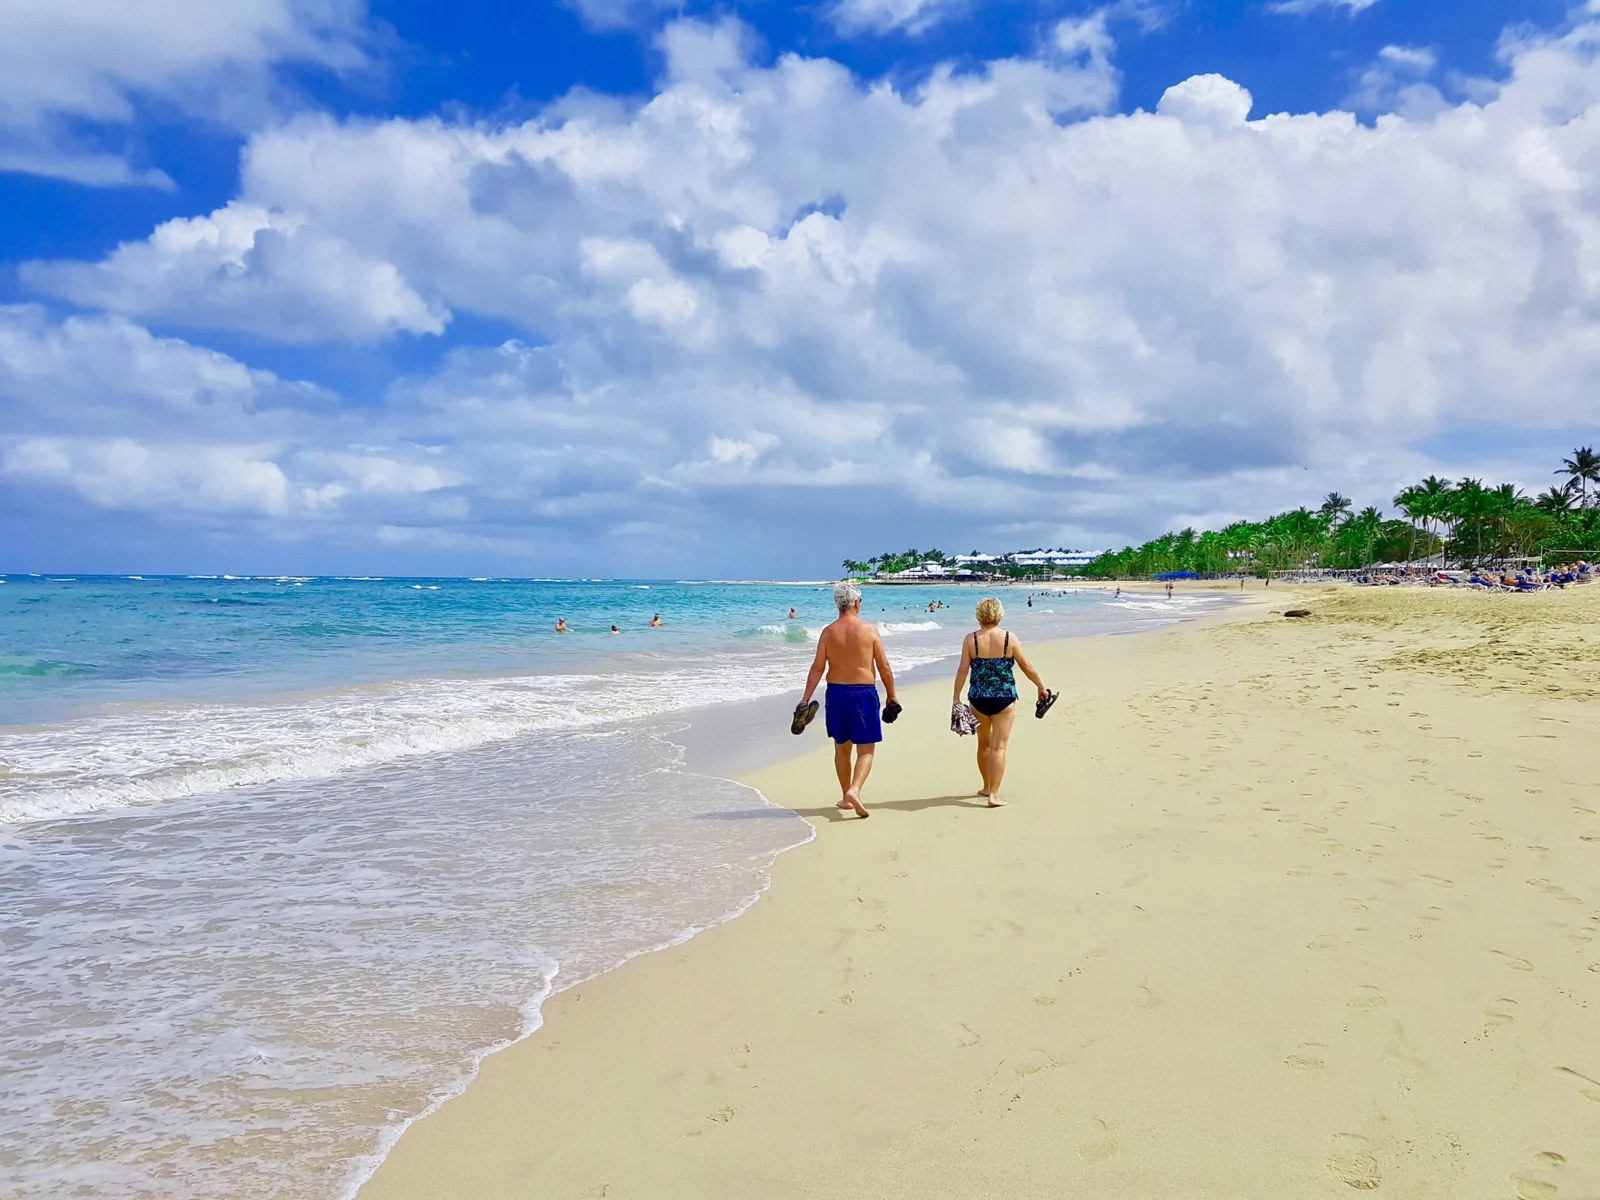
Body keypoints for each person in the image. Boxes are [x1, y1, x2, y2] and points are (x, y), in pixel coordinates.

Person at [798, 581, 898, 818]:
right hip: (863, 693)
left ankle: (846, 797)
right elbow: (883, 666)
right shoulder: (869, 630)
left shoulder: (828, 632)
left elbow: (816, 669)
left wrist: (805, 700)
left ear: (838, 605)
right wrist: (892, 695)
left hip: (836, 694)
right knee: (866, 750)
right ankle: (855, 789)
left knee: (842, 748)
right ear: (857, 603)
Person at [951, 597, 1049, 808]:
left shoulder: (971, 640)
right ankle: (993, 795)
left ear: (979, 615)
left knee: (984, 745)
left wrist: (956, 698)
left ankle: (986, 786)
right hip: (1004, 698)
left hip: (978, 699)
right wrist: (1041, 687)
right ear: (999, 613)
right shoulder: (1009, 638)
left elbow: (962, 670)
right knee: (999, 747)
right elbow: (1026, 666)